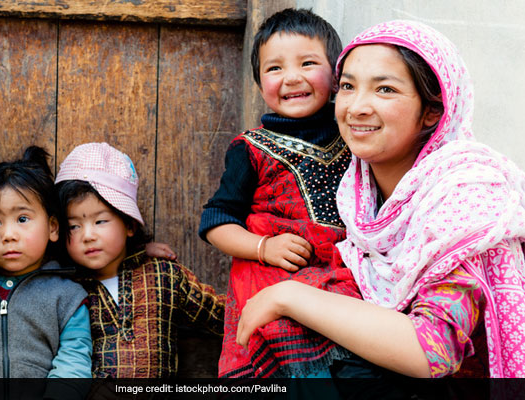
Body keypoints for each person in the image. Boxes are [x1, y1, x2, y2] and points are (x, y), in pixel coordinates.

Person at [237, 20, 525, 379]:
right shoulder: (355, 196)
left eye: (385, 89)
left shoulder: (463, 200)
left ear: (432, 111)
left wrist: (289, 296)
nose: (356, 107)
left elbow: (433, 351)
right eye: (347, 87)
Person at [198, 8, 361, 378]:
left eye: (307, 63)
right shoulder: (251, 149)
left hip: (340, 278)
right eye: (274, 68)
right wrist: (263, 247)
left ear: (338, 77)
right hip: (274, 277)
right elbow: (216, 222)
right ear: (259, 84)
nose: (291, 78)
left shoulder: (354, 138)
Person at [55, 142, 225, 378]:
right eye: (73, 226)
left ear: (129, 224)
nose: (88, 236)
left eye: (100, 221)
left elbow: (222, 315)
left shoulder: (163, 275)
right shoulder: (64, 289)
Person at [0, 146, 92, 391]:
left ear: (53, 228)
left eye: (22, 219)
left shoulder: (67, 297)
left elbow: (74, 360)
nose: (8, 235)